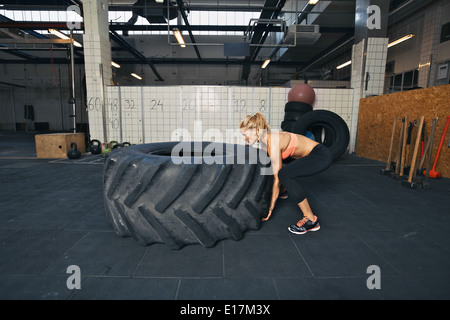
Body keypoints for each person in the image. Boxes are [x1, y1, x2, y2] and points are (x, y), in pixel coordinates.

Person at [240, 113, 332, 235]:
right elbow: (268, 168)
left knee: (284, 174)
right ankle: (283, 190)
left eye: (245, 135)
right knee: (274, 168)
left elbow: (278, 176)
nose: (244, 138)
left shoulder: (273, 141)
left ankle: (311, 219)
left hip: (320, 155)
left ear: (255, 131)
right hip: (309, 156)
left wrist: (270, 207)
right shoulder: (264, 142)